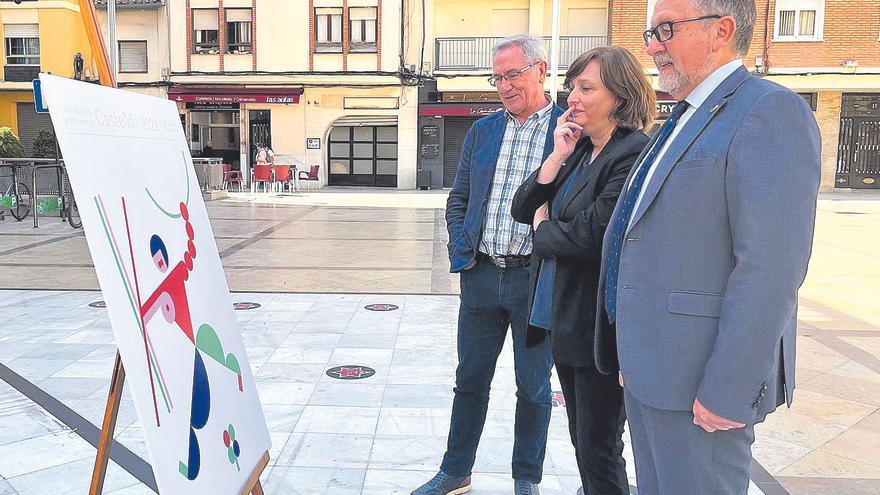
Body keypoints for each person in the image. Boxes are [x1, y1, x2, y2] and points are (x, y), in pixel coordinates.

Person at [594, 0, 821, 494]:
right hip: (653, 369)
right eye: (651, 32)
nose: (652, 46)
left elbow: (771, 267)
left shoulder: (768, 111)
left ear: (721, 31)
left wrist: (729, 390)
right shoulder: (682, 118)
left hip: (701, 386)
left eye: (666, 30)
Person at [412, 34, 563, 495]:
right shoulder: (483, 131)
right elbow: (458, 199)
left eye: (513, 74)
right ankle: (456, 471)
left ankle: (526, 480)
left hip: (535, 281)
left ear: (540, 70)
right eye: (497, 77)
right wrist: (464, 249)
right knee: (470, 381)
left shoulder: (567, 130)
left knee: (534, 389)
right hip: (481, 277)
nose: (503, 85)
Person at [511, 46, 654, 495]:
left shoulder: (632, 154)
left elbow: (590, 237)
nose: (572, 97)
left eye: (586, 88)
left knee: (598, 445)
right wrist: (556, 155)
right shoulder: (581, 149)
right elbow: (521, 209)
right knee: (582, 440)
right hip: (564, 319)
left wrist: (547, 227)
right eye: (573, 86)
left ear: (621, 96)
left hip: (599, 331)